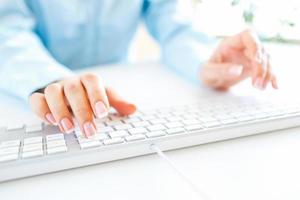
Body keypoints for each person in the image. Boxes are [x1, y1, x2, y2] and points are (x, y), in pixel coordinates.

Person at [0, 0, 277, 137]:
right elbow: (7, 29)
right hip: (30, 94)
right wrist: (51, 79)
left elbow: (172, 24)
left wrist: (207, 62)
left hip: (119, 100)